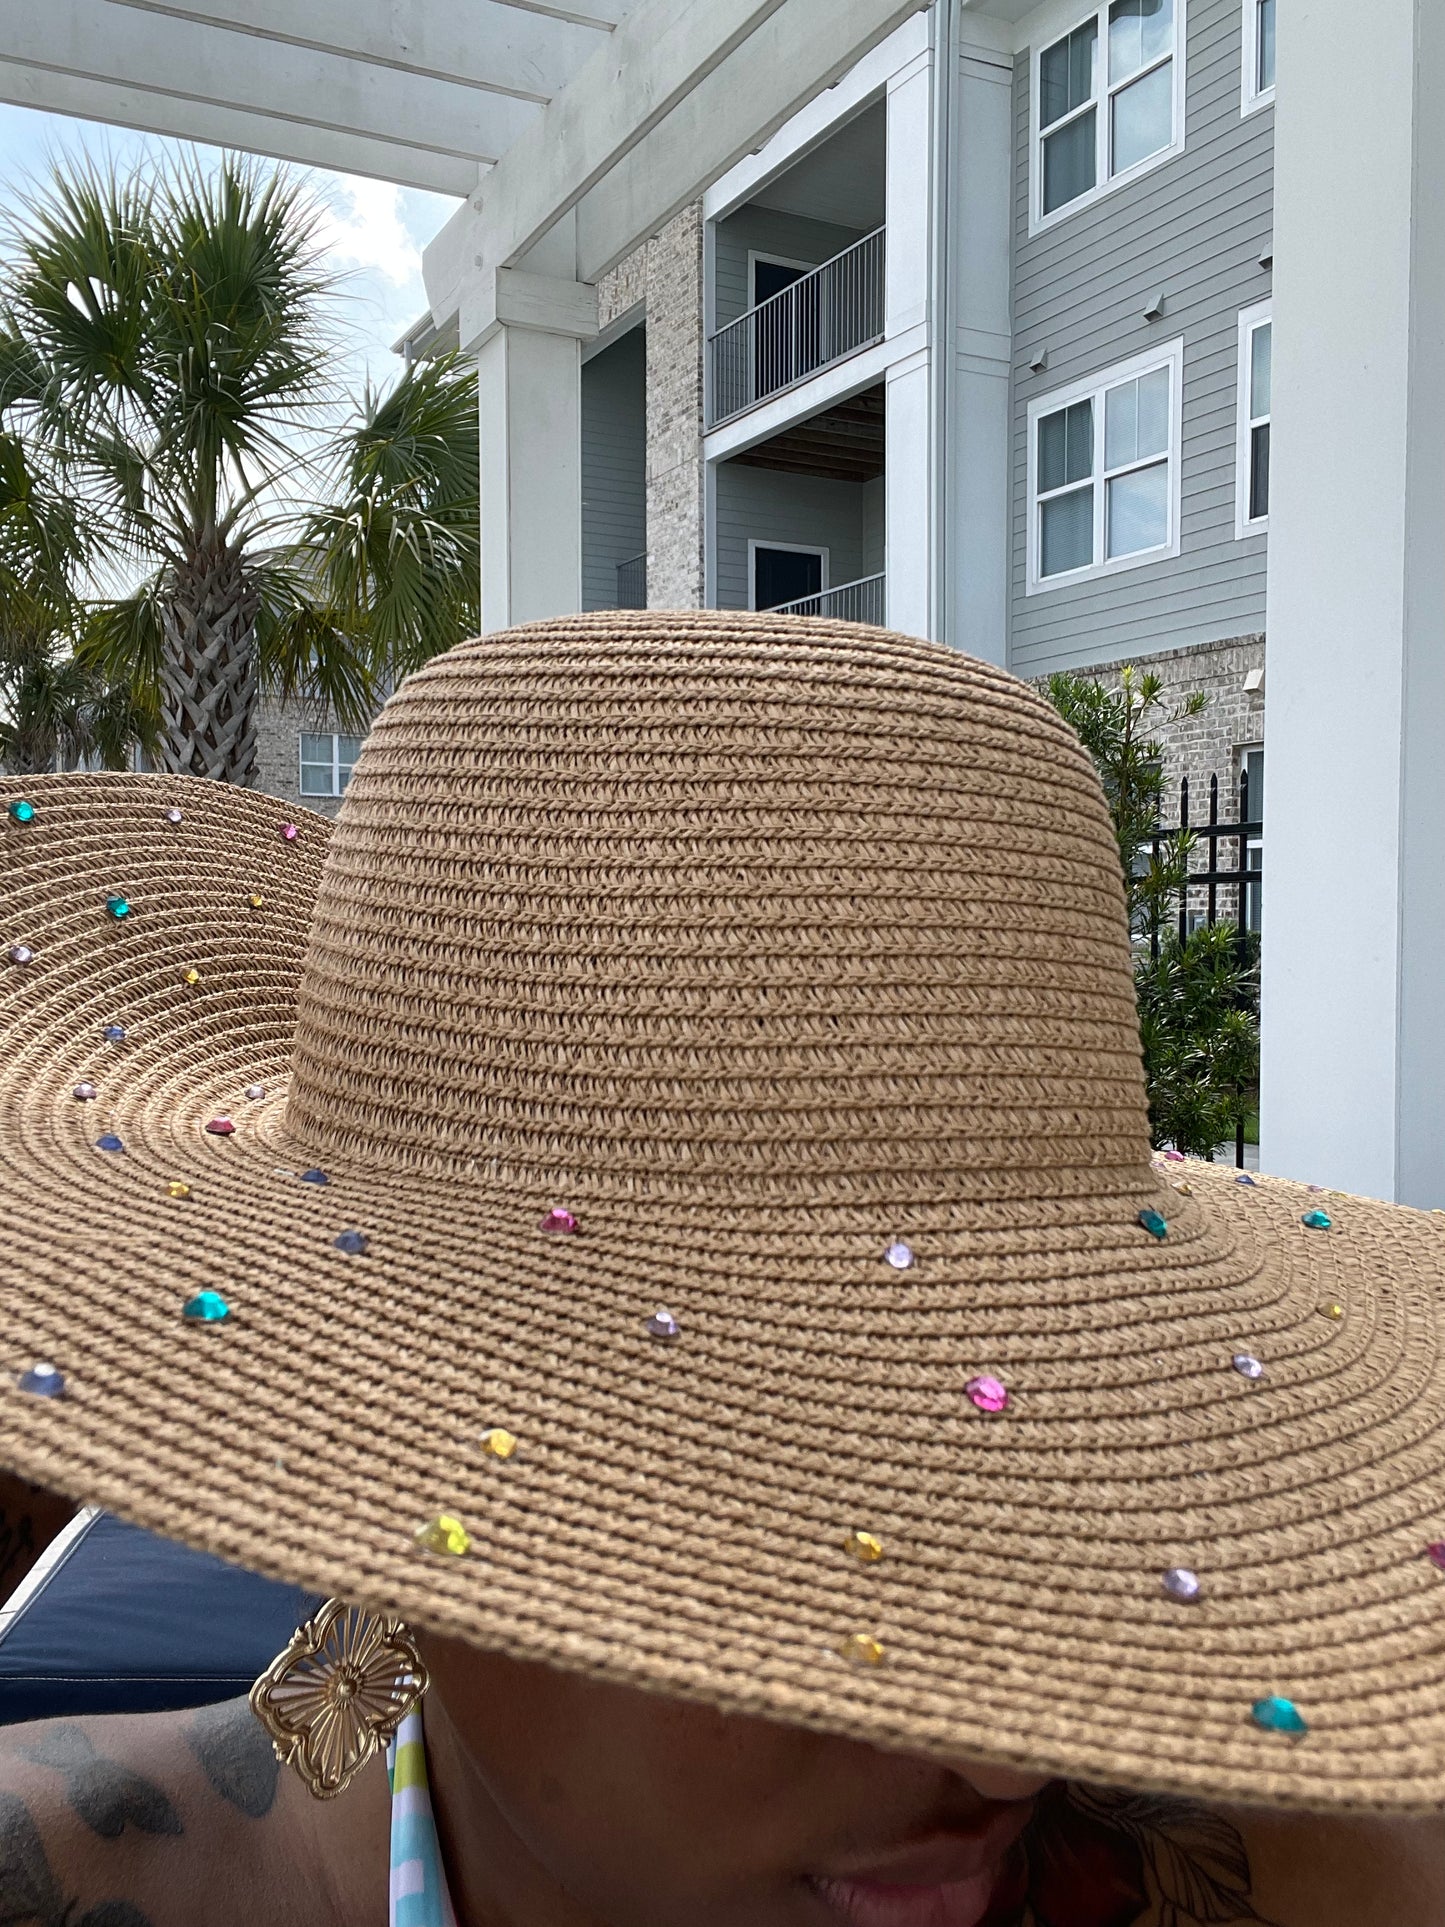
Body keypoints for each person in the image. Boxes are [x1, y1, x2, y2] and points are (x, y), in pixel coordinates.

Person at [0, 613, 1441, 1927]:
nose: (1009, 1754)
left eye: (1071, 1511)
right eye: (796, 1528)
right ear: (425, 1452)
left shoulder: (1308, 1875)